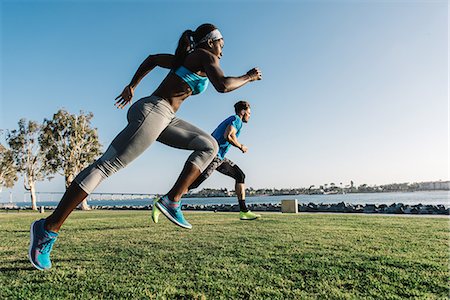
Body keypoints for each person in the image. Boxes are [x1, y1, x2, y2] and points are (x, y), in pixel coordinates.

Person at [28, 23, 262, 271]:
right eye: (221, 45)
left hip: (166, 117)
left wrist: (132, 85)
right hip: (155, 111)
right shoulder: (204, 55)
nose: (222, 52)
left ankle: (172, 200)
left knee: (209, 145)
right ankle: (47, 229)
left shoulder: (186, 59)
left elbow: (152, 59)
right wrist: (249, 77)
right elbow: (223, 85)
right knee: (106, 166)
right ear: (210, 41)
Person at [152, 100, 260, 222]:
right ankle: (164, 200)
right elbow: (228, 135)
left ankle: (244, 211)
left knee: (240, 175)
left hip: (218, 157)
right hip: (213, 157)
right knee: (193, 184)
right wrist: (241, 146)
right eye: (249, 113)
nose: (249, 116)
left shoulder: (232, 119)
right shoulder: (236, 119)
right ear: (243, 111)